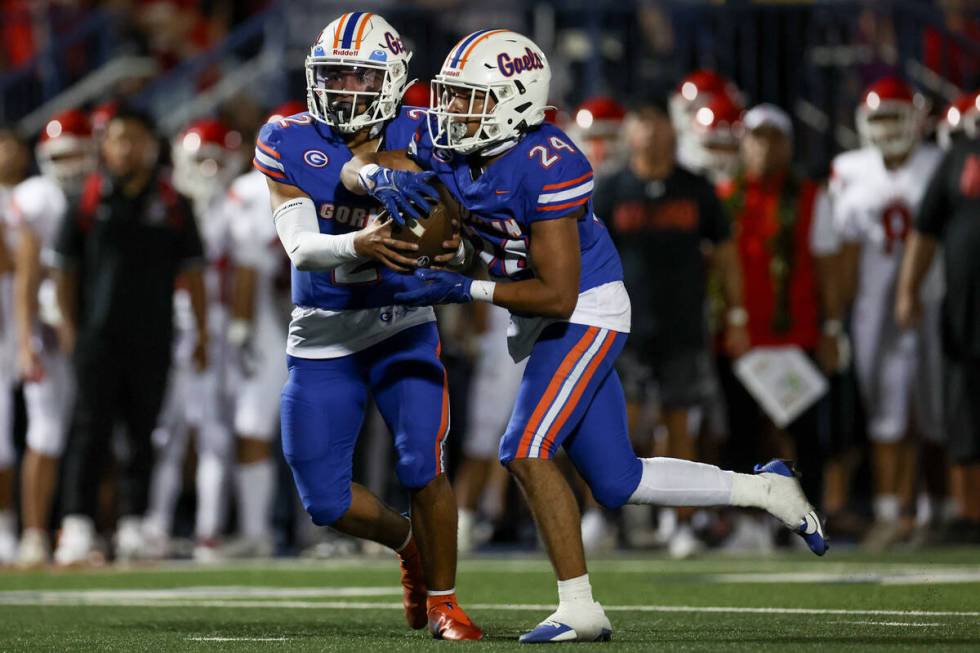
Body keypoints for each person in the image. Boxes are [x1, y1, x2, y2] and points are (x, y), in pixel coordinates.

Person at [343, 29, 827, 643]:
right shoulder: (440, 133)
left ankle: (580, 605)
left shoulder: (549, 161)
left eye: (470, 99)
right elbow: (359, 148)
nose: (450, 111)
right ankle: (767, 490)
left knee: (524, 448)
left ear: (515, 101)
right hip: (541, 312)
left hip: (585, 311)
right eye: (452, 95)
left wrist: (461, 287)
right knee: (618, 480)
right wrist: (376, 182)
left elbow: (557, 293)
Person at [254, 13, 481, 639]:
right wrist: (362, 241)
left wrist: (457, 245)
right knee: (326, 503)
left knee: (422, 462)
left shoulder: (426, 132)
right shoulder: (287, 136)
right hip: (323, 333)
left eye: (361, 75)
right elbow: (301, 247)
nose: (346, 88)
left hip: (401, 322)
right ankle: (410, 546)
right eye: (334, 74)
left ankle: (444, 599)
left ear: (394, 79)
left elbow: (462, 221)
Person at [50, 105, 209, 565]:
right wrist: (67, 326)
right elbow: (63, 270)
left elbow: (194, 273)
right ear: (104, 144)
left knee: (144, 432)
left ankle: (135, 522)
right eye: (119, 138)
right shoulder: (87, 197)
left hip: (153, 335)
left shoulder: (175, 204)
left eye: (136, 139)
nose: (127, 148)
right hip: (96, 337)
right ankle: (77, 525)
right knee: (89, 431)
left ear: (152, 145)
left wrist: (200, 332)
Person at [593, 93, 749, 559]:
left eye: (660, 122)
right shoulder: (613, 188)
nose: (653, 132)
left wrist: (737, 315)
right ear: (631, 132)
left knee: (681, 426)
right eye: (644, 122)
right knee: (619, 424)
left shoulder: (695, 187)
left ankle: (678, 521)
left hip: (682, 326)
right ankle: (605, 516)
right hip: (625, 326)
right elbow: (591, 257)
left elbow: (725, 255)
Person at [832, 76, 944, 551]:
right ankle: (887, 509)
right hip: (872, 305)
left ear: (917, 118)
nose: (887, 127)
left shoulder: (938, 163)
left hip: (937, 298)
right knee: (884, 407)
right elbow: (843, 250)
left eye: (895, 116)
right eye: (878, 117)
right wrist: (836, 315)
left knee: (934, 406)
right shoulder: (850, 169)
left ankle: (936, 509)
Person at [143, 117, 244, 561]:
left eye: (211, 160)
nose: (202, 169)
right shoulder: (168, 204)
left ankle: (206, 529)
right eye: (195, 159)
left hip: (214, 323)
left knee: (212, 433)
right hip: (168, 321)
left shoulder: (233, 207)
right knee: (167, 432)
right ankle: (156, 526)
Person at [219, 100, 306, 558]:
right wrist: (241, 325)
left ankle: (315, 530)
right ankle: (257, 529)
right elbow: (250, 266)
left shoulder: (330, 173)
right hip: (274, 319)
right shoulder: (252, 189)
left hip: (321, 315)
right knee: (252, 424)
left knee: (323, 429)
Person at [11, 110, 97, 566]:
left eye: (78, 154)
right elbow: (28, 276)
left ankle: (84, 531)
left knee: (96, 433)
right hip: (50, 328)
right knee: (45, 432)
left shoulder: (101, 191)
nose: (70, 165)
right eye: (60, 156)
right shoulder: (38, 198)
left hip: (95, 327)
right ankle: (34, 533)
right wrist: (25, 339)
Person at [896, 90, 980, 543]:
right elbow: (925, 229)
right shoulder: (959, 159)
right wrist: (908, 290)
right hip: (967, 306)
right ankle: (969, 513)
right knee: (963, 405)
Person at [0, 126, 29, 564]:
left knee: (3, 440)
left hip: (9, 326)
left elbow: (15, 266)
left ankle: (5, 525)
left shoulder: (27, 199)